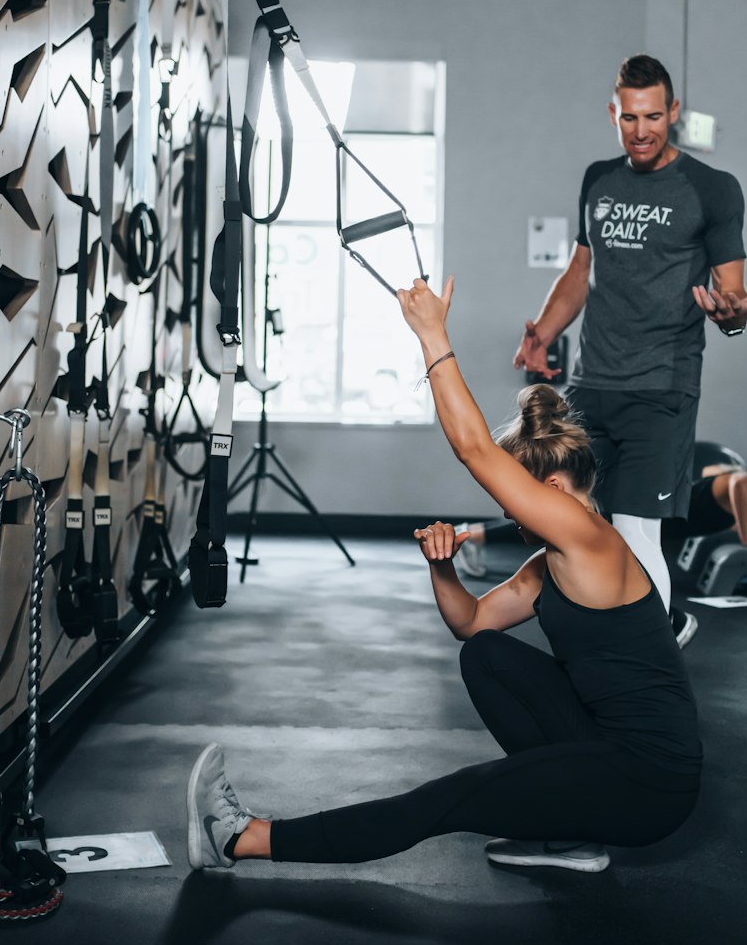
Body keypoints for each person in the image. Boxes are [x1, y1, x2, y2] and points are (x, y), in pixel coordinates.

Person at [187, 277, 701, 876]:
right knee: (487, 655)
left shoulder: (591, 538)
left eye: (517, 503)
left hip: (649, 783)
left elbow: (475, 450)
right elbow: (472, 623)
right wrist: (442, 568)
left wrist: (432, 333)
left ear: (554, 491)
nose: (509, 517)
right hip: (608, 749)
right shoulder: (552, 566)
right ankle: (569, 832)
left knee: (449, 798)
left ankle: (237, 839)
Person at [513, 54, 747, 650]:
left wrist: (733, 316)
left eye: (654, 116)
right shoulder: (598, 179)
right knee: (566, 516)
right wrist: (545, 333)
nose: (642, 130)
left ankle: (654, 653)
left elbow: (731, 291)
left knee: (633, 527)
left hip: (663, 384)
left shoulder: (712, 189)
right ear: (613, 114)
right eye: (629, 118)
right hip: (592, 382)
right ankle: (615, 639)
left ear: (673, 112)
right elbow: (581, 271)